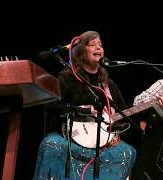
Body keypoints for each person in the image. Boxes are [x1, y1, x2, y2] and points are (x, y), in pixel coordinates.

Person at [33, 31, 136, 180]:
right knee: (50, 145)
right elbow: (50, 105)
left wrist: (155, 105)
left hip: (101, 142)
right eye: (92, 44)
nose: (98, 48)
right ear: (81, 51)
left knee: (129, 151)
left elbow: (125, 112)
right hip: (71, 136)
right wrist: (82, 111)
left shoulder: (107, 83)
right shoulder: (67, 77)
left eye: (100, 45)